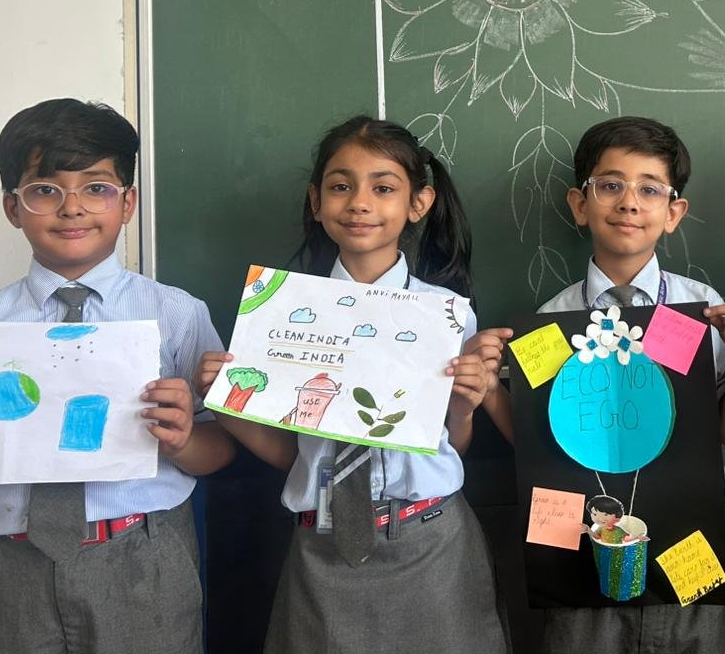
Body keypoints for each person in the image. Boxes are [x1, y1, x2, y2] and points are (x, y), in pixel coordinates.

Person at [196, 115, 508, 654]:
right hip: (322, 545)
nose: (360, 203)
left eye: (383, 188)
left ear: (419, 202)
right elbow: (295, 455)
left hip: (430, 538)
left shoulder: (445, 314)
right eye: (341, 186)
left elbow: (452, 446)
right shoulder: (281, 316)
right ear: (316, 201)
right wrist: (226, 406)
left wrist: (463, 406)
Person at [0, 98, 234, 654]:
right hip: (8, 564)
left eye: (96, 188)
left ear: (127, 202)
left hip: (141, 554)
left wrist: (182, 440)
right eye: (45, 190)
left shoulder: (177, 314)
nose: (72, 208)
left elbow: (222, 448)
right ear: (13, 207)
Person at [510, 115, 725, 654]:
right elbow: (538, 440)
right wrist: (488, 389)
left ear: (673, 213)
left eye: (650, 189)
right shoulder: (549, 324)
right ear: (580, 204)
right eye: (610, 185)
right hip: (579, 556)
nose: (629, 203)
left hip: (691, 546)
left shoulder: (700, 309)